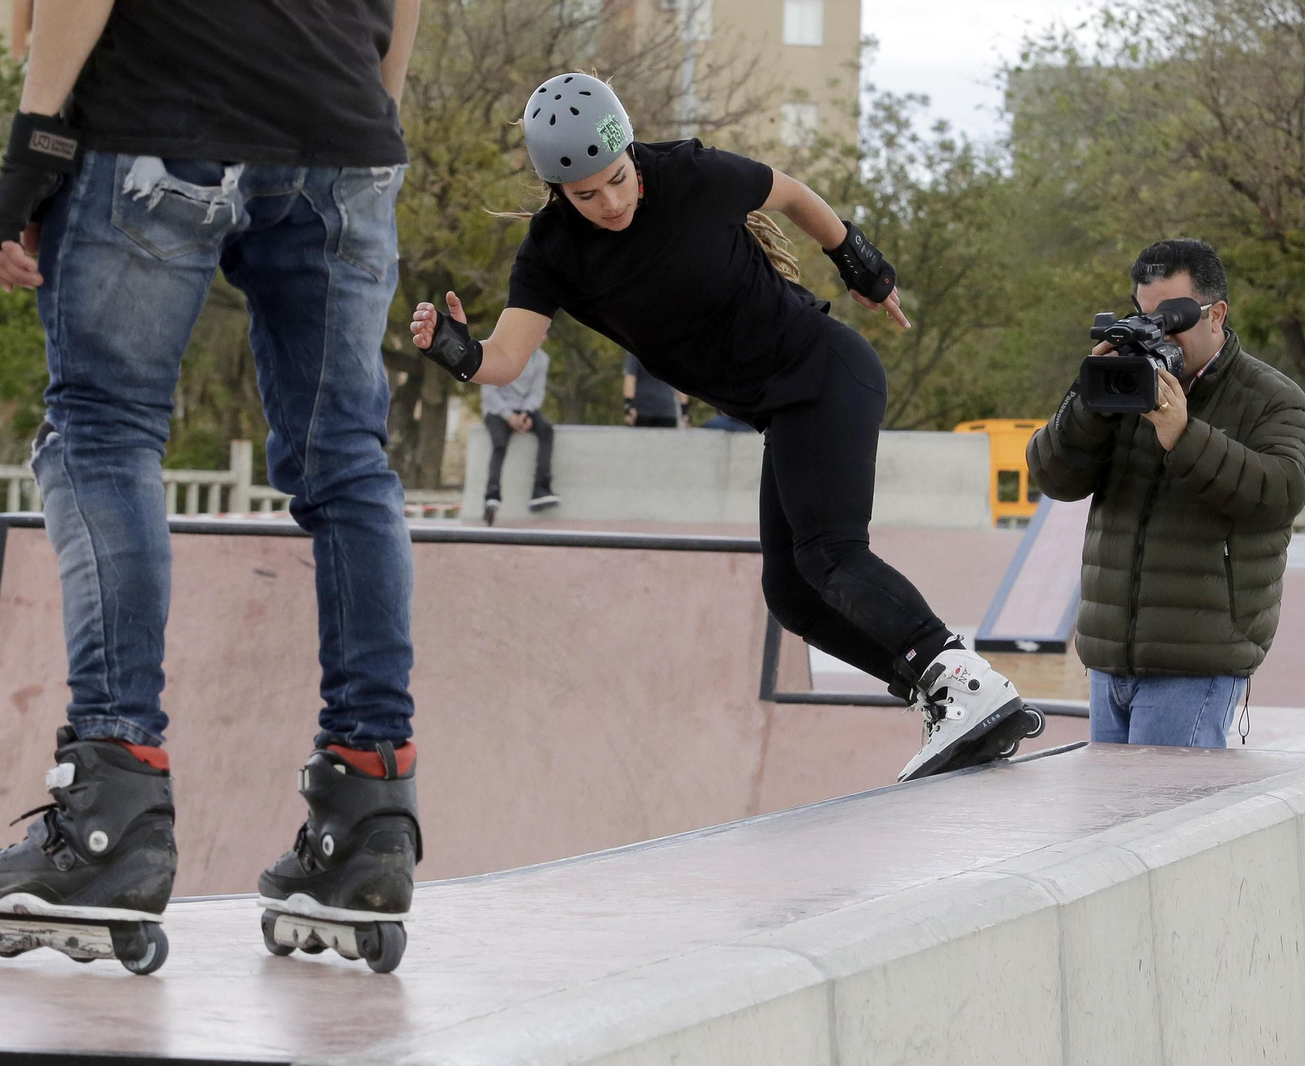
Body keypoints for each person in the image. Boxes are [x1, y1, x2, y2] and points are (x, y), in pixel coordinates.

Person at [0, 0, 424, 973]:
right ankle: (369, 810)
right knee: (349, 464)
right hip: (342, 128)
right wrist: (368, 113)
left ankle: (113, 808)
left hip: (165, 111)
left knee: (103, 435)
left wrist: (33, 138)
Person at [410, 73, 1044, 782]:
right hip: (783, 410)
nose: (611, 202)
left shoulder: (688, 173)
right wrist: (457, 353)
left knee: (830, 553)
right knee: (794, 594)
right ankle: (937, 690)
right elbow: (506, 357)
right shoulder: (553, 251)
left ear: (630, 155)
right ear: (558, 191)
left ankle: (963, 679)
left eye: (617, 179)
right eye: (587, 194)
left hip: (826, 373)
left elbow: (793, 193)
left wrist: (860, 263)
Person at [1028, 238, 1305, 748]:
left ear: (1216, 314)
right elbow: (1053, 477)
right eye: (1144, 315)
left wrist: (1184, 435)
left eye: (1171, 318)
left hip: (1197, 661)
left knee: (1161, 820)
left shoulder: (1273, 398)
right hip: (1111, 658)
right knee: (1116, 823)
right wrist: (1091, 401)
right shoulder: (1124, 382)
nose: (1157, 333)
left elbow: (1280, 494)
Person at [481, 346, 559, 524]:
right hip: (497, 410)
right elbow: (489, 393)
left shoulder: (541, 359)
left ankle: (541, 487)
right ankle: (492, 496)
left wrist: (526, 413)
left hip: (523, 408)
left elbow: (537, 392)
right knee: (499, 444)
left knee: (546, 429)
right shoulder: (497, 351)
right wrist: (509, 416)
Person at [624, 352, 690, 427]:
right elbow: (680, 383)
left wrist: (628, 407)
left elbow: (630, 379)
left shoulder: (636, 350)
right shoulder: (671, 352)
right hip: (667, 409)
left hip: (642, 410)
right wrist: (684, 411)